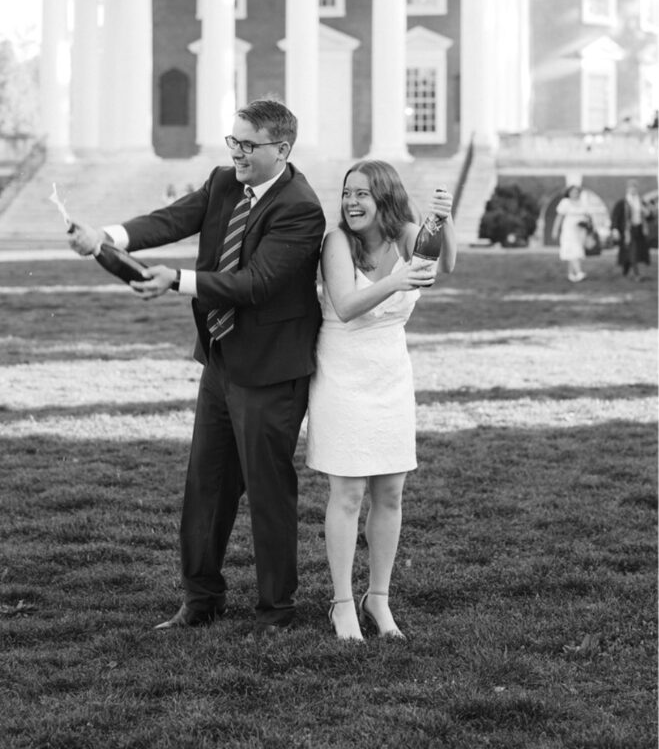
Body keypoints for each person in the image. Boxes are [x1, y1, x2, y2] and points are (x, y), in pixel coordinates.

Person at [68, 100, 326, 638]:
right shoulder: (222, 182)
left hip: (272, 371)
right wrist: (106, 236)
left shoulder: (301, 208)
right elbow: (172, 219)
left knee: (268, 491)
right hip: (221, 360)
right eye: (232, 141)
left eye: (248, 145)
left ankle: (277, 611)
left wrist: (178, 280)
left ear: (282, 149)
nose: (236, 153)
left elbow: (256, 283)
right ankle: (201, 599)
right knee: (205, 486)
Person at [305, 161, 457, 641]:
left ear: (385, 199)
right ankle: (341, 603)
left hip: (390, 374)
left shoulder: (408, 234)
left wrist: (443, 220)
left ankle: (379, 598)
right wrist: (399, 280)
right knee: (347, 494)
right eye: (347, 193)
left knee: (390, 492)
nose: (351, 202)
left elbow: (446, 264)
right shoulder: (336, 244)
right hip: (342, 374)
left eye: (363, 194)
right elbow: (347, 307)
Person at [611, 179, 652, 281]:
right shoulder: (623, 202)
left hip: (639, 229)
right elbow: (615, 217)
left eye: (634, 188)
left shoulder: (641, 202)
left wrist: (647, 213)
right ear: (627, 189)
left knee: (632, 252)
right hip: (627, 231)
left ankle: (625, 271)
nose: (633, 190)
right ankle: (637, 274)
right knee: (633, 250)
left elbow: (650, 217)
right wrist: (615, 229)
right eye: (631, 188)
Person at [552, 184, 589, 282]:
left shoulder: (582, 202)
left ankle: (571, 274)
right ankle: (579, 272)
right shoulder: (565, 202)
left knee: (574, 252)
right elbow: (559, 217)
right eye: (573, 192)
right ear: (569, 193)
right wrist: (555, 230)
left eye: (577, 192)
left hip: (580, 231)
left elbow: (587, 216)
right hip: (569, 230)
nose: (575, 194)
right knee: (573, 250)